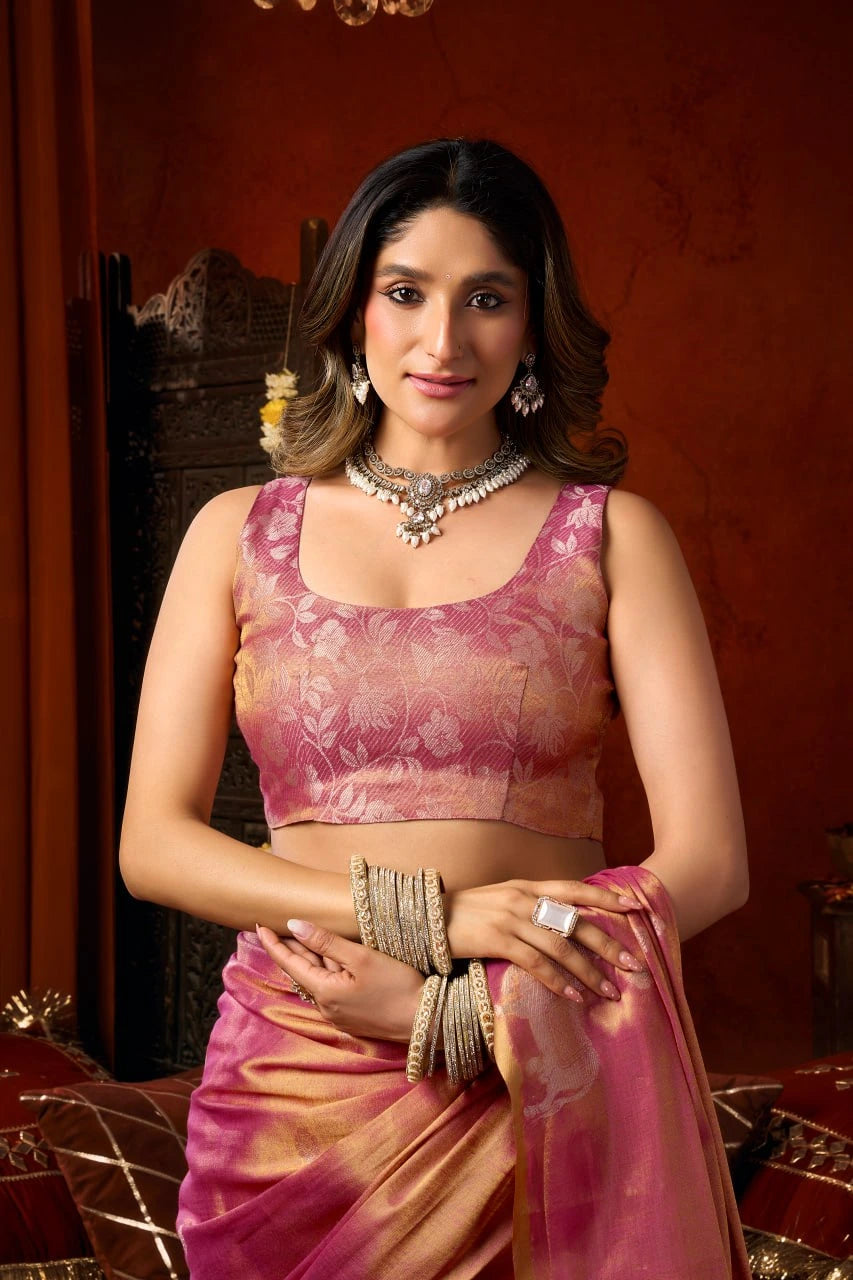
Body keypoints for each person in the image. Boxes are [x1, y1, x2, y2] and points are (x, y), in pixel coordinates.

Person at [119, 137, 751, 1278]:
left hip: (534, 1081)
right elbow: (153, 843)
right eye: (405, 292)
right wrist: (428, 922)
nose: (442, 340)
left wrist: (466, 1012)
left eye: (487, 299)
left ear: (531, 326)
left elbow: (710, 862)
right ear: (351, 311)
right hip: (293, 1081)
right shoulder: (235, 533)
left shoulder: (610, 537)